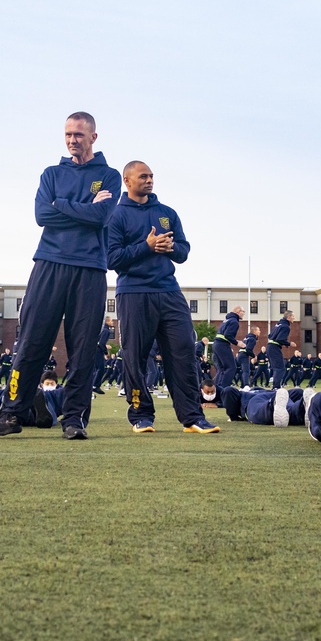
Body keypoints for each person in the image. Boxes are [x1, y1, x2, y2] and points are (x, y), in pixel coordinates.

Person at [0, 111, 121, 440]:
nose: (72, 140)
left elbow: (102, 217)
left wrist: (63, 205)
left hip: (89, 269)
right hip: (48, 264)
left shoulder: (111, 175)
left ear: (93, 137)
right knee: (31, 342)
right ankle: (12, 412)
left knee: (83, 349)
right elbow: (41, 214)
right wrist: (81, 206)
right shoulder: (51, 174)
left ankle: (74, 419)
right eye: (68, 135)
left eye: (78, 134)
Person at [103, 160, 218, 435]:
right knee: (135, 357)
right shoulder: (115, 216)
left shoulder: (167, 213)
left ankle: (193, 417)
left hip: (169, 291)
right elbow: (112, 258)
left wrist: (170, 247)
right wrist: (147, 246)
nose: (149, 180)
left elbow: (183, 251)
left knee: (183, 353)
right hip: (133, 293)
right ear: (127, 181)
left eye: (152, 176)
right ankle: (141, 415)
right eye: (143, 176)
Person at [0, 370, 64, 428]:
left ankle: (9, 414)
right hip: (13, 395)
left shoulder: (54, 393)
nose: (50, 386)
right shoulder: (55, 394)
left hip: (19, 399)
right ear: (41, 384)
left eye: (52, 384)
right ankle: (11, 412)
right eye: (48, 384)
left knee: (36, 404)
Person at [221, 386, 315, 427]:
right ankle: (302, 405)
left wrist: (233, 417)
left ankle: (273, 404)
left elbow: (228, 391)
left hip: (255, 400)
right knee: (289, 405)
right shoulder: (261, 390)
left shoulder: (244, 394)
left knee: (263, 409)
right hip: (274, 393)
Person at [213, 306, 245, 389]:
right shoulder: (234, 321)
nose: (244, 313)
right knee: (231, 368)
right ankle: (223, 389)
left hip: (216, 344)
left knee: (221, 369)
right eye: (243, 311)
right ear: (238, 312)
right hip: (222, 344)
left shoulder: (227, 320)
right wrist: (237, 343)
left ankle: (216, 388)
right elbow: (228, 335)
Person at [266, 311, 297, 388]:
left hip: (270, 346)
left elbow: (270, 335)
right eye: (293, 316)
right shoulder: (286, 327)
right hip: (274, 348)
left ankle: (275, 385)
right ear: (288, 317)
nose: (294, 318)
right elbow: (280, 339)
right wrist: (289, 343)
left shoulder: (278, 324)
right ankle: (276, 387)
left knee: (276, 368)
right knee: (280, 368)